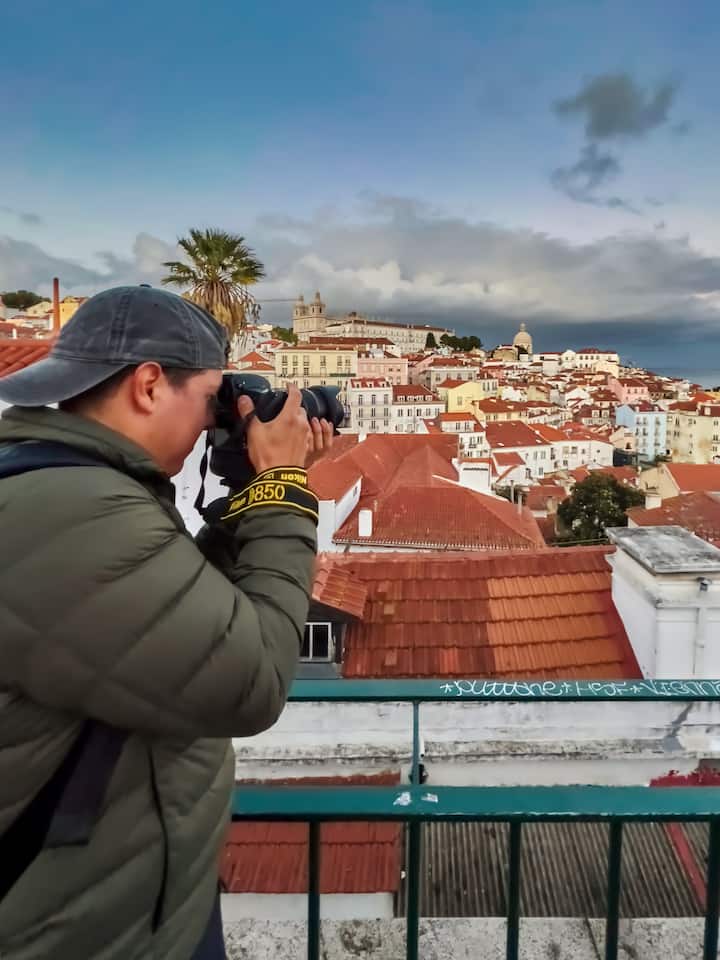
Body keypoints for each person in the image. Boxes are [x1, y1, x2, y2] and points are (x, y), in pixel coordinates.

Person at [0, 285, 333, 960]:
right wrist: (283, 486)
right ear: (149, 385)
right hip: (81, 930)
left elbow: (180, 614)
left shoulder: (81, 486)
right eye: (211, 398)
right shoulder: (76, 511)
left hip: (132, 903)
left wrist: (250, 494)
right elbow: (251, 677)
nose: (215, 420)